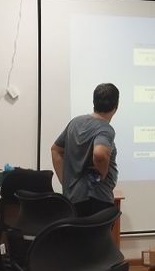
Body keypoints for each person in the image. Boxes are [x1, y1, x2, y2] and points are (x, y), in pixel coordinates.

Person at [51, 83, 119, 217]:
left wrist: (65, 182)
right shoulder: (105, 129)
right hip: (96, 200)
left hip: (73, 199)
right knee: (96, 232)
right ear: (116, 106)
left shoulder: (75, 122)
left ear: (94, 102)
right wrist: (103, 173)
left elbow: (55, 150)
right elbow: (99, 154)